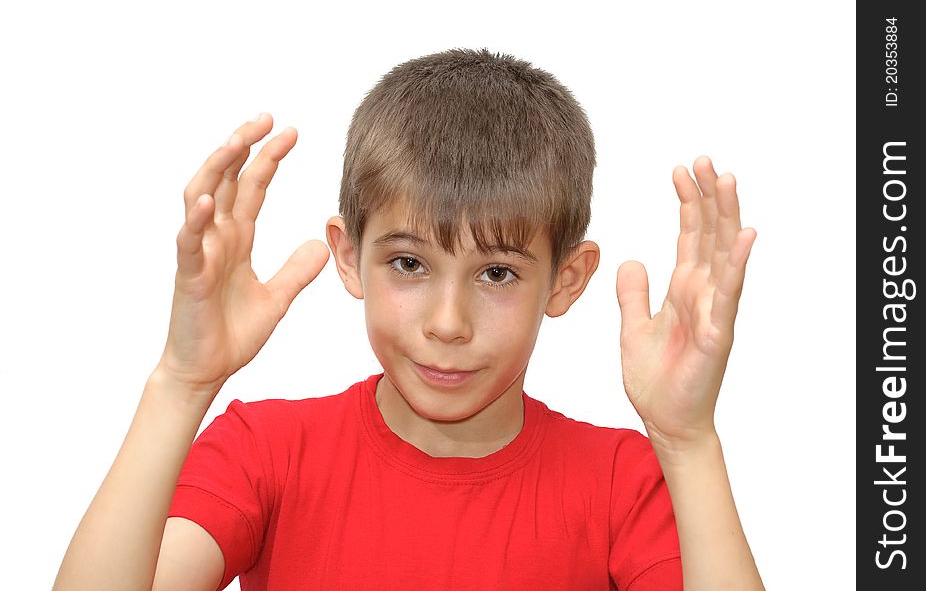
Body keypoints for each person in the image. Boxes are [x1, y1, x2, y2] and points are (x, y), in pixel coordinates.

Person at [54, 48, 764, 590]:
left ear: (566, 278)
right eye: (409, 264)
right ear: (349, 256)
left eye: (496, 273)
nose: (447, 323)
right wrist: (181, 382)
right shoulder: (265, 450)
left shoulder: (623, 482)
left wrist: (688, 441)